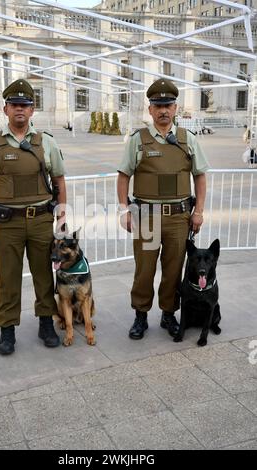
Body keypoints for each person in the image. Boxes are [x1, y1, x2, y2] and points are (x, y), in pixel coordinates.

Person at [0, 79, 66, 355]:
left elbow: (60, 181)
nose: (20, 110)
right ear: (5, 109)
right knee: (8, 278)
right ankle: (7, 329)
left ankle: (46, 323)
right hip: (7, 223)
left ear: (32, 109)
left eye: (25, 105)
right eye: (14, 105)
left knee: (44, 275)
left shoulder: (46, 142)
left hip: (40, 221)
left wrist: (61, 219)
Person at [117, 78, 210, 340]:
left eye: (168, 105)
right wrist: (124, 211)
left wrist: (199, 211)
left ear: (176, 107)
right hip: (147, 218)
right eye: (158, 105)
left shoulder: (187, 139)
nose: (163, 110)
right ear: (150, 110)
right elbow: (123, 175)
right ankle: (141, 316)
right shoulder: (139, 140)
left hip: (178, 219)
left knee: (173, 270)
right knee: (144, 270)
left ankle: (169, 314)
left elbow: (200, 176)